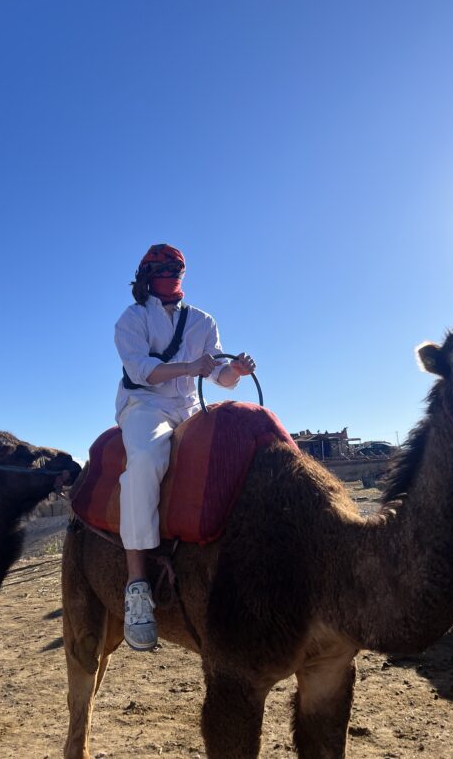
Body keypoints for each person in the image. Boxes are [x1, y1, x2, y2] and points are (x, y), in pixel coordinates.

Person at [114, 243, 256, 650]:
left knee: (238, 451)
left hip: (191, 407)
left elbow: (219, 377)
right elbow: (141, 371)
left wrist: (237, 371)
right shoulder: (132, 319)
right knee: (145, 460)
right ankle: (137, 584)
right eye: (162, 270)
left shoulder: (203, 321)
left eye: (174, 270)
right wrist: (191, 367)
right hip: (145, 405)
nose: (169, 277)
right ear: (147, 276)